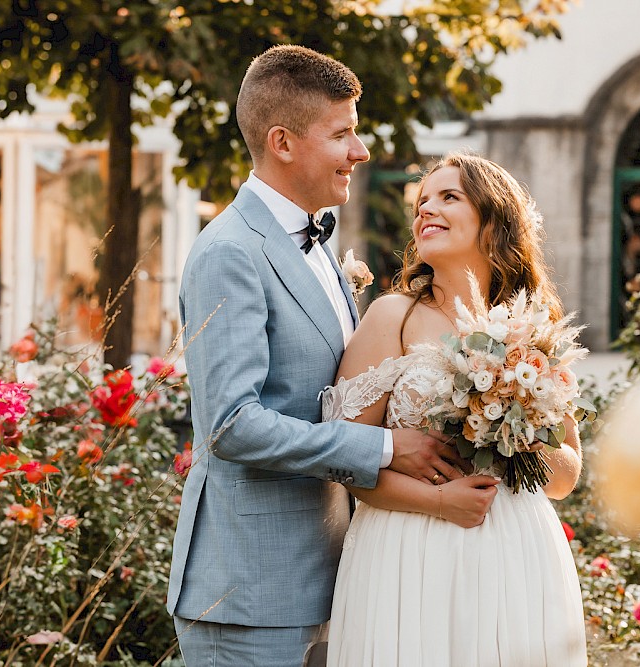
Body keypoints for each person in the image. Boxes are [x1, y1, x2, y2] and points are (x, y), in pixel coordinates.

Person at [167, 45, 466, 666]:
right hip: (247, 593)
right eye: (343, 133)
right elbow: (232, 425)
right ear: (282, 141)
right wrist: (387, 448)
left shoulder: (317, 240)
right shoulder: (230, 251)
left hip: (330, 576)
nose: (360, 151)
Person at [323, 151, 587, 666]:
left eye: (448, 197)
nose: (425, 210)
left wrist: (516, 415)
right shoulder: (392, 316)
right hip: (409, 550)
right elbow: (342, 460)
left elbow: (564, 477)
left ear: (493, 222)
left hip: (517, 551)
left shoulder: (532, 329)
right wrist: (440, 504)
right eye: (421, 201)